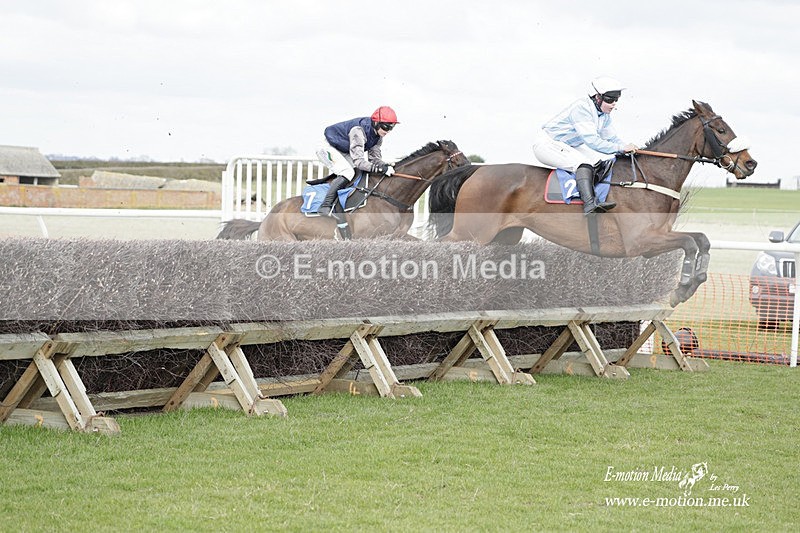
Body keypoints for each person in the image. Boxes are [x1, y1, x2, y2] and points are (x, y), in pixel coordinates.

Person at [532, 76, 638, 214]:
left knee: (598, 163)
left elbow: (612, 138)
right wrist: (621, 148)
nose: (613, 104)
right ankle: (589, 204)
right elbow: (593, 142)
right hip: (547, 144)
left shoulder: (604, 115)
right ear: (598, 97)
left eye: (616, 100)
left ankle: (591, 195)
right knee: (584, 164)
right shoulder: (582, 108)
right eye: (610, 99)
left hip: (567, 145)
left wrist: (628, 149)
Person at [315, 106, 399, 233]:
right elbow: (359, 161)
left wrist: (384, 166)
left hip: (343, 150)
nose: (388, 130)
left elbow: (374, 160)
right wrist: (379, 169)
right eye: (386, 126)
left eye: (391, 127)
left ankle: (344, 206)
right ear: (376, 122)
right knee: (347, 172)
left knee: (356, 173)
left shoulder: (378, 137)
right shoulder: (358, 131)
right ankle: (325, 205)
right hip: (327, 148)